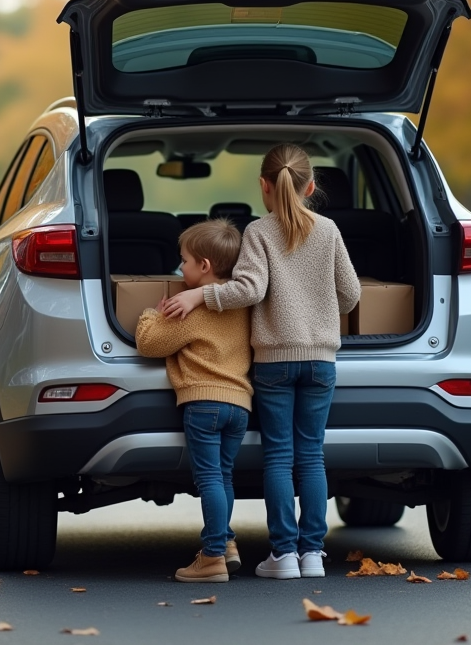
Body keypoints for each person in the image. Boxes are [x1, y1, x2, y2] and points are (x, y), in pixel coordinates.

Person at [162, 144, 360, 580]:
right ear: (310, 186)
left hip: (273, 362)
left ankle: (284, 556)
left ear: (264, 187)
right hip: (321, 360)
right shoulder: (328, 231)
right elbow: (351, 295)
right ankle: (312, 555)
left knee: (279, 457)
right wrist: (318, 307)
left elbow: (248, 290)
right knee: (311, 456)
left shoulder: (259, 231)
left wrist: (200, 294)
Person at [135, 220, 252, 583]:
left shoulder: (192, 309)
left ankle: (213, 556)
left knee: (208, 479)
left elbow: (149, 344)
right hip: (240, 405)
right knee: (225, 476)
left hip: (204, 404)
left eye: (183, 261)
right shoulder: (243, 306)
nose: (179, 268)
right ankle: (227, 542)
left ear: (204, 265)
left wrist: (151, 314)